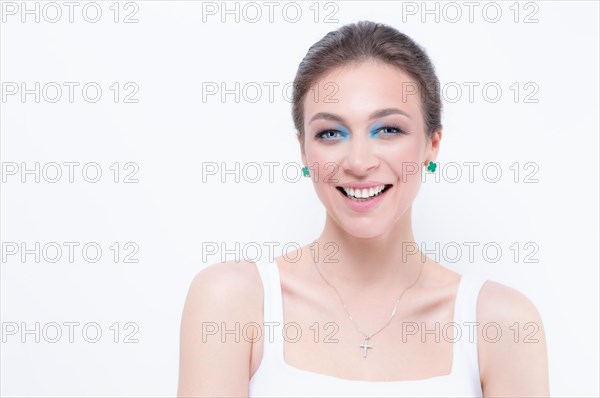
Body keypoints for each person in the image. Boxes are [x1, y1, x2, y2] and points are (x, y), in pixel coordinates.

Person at [177, 21, 550, 397]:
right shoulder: (232, 301)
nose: (358, 162)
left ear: (432, 145)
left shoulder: (502, 324)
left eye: (388, 130)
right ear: (304, 151)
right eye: (330, 133)